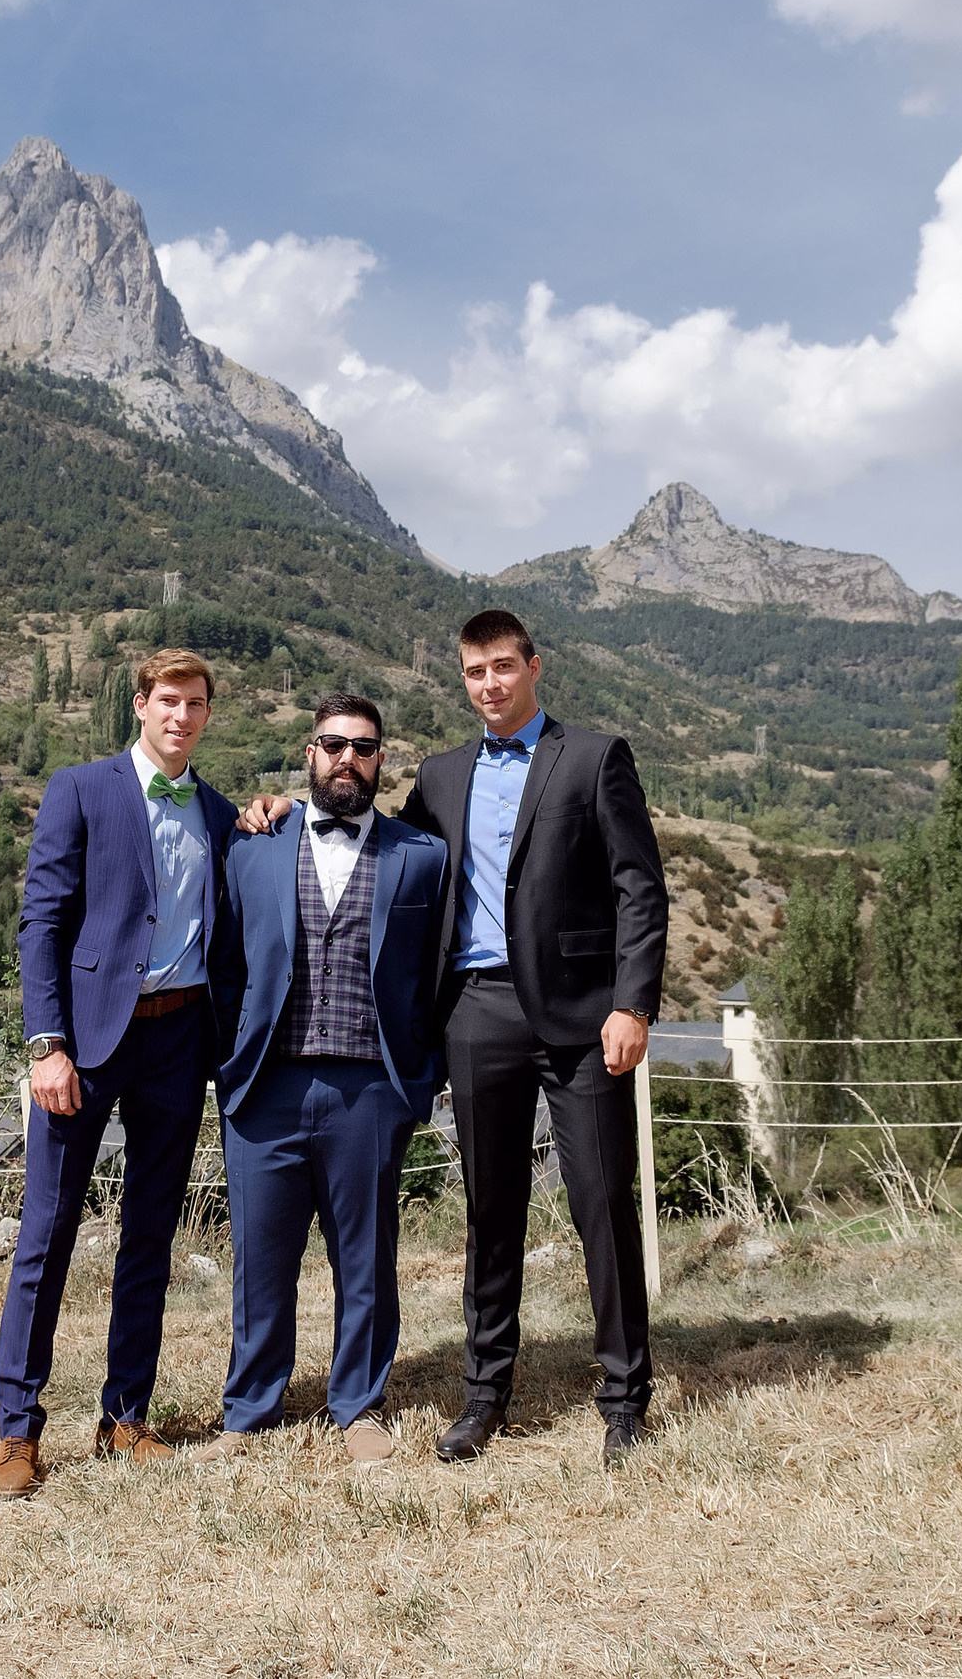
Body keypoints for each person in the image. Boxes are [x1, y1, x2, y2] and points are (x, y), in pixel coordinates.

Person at [396, 609, 668, 1466]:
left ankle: (625, 1397)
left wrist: (634, 1003)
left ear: (534, 667)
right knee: (490, 1211)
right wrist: (278, 819)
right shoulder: (439, 777)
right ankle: (485, 1395)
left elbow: (640, 889)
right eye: (475, 672)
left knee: (600, 1202)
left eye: (504, 667)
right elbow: (387, 855)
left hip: (584, 1019)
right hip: (475, 1013)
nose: (490, 685)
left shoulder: (593, 758)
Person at [0, 648, 239, 1500]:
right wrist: (45, 1044)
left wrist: (268, 811)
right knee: (47, 1232)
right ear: (140, 705)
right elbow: (41, 922)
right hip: (86, 1044)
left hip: (179, 1042)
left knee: (150, 1238)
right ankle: (17, 1430)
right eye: (167, 699)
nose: (181, 714)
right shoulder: (81, 788)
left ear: (208, 715)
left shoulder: (216, 809)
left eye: (195, 702)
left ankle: (125, 1415)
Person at [202, 694, 451, 1466]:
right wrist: (229, 1065)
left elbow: (438, 976)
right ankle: (249, 1410)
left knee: (365, 1258)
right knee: (260, 1261)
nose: (348, 758)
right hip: (266, 1089)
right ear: (308, 752)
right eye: (333, 744)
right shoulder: (251, 847)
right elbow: (224, 969)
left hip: (371, 1092)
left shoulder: (423, 856)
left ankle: (360, 1404)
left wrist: (420, 1077)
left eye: (364, 747)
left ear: (382, 761)